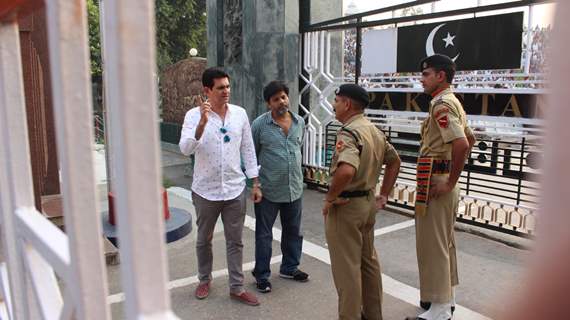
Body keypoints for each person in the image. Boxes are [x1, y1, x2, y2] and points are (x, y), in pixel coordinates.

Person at [179, 67, 262, 306]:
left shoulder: (240, 114)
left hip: (235, 189)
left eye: (228, 86)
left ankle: (236, 287)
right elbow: (185, 149)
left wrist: (255, 181)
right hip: (205, 191)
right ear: (207, 90)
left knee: (235, 240)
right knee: (204, 239)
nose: (226, 91)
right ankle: (204, 279)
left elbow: (247, 148)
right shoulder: (193, 116)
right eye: (220, 87)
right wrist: (202, 124)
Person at [322, 84, 401, 320]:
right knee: (368, 264)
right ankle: (373, 315)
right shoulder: (374, 130)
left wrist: (330, 198)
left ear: (347, 104)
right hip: (367, 205)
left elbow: (346, 171)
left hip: (346, 207)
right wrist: (384, 194)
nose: (334, 105)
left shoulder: (349, 132)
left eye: (337, 100)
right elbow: (395, 161)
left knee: (347, 272)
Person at [406, 54, 476, 320]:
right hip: (439, 178)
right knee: (444, 243)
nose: (421, 79)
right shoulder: (451, 101)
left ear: (440, 76)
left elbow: (462, 143)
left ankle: (440, 309)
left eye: (426, 74)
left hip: (437, 181)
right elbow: (468, 136)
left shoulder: (442, 105)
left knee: (433, 244)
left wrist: (449, 181)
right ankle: (446, 298)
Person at [250, 81, 308, 293]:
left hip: (294, 188)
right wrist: (255, 185)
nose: (281, 102)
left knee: (294, 231)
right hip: (268, 191)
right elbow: (250, 156)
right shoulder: (259, 125)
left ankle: (289, 267)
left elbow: (297, 149)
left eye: (283, 97)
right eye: (276, 99)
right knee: (264, 235)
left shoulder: (299, 122)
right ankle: (262, 275)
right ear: (269, 104)